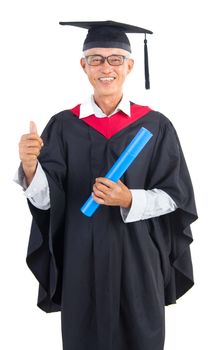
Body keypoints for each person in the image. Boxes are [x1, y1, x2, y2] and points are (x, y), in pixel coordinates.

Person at [15, 20, 197, 350]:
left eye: (115, 58)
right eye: (96, 58)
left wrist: (130, 199)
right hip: (81, 259)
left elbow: (177, 196)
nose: (105, 67)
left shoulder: (155, 126)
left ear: (129, 65)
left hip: (139, 257)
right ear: (83, 65)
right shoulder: (63, 125)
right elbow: (47, 203)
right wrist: (30, 169)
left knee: (141, 337)